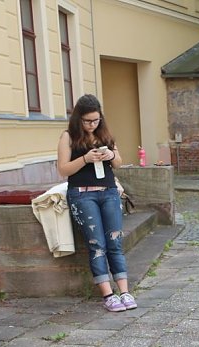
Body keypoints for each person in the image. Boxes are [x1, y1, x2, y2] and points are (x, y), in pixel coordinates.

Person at [58, 94, 137, 312]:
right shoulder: (68, 136)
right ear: (78, 119)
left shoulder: (105, 134)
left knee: (115, 242)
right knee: (97, 244)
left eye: (96, 120)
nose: (92, 125)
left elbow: (118, 163)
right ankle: (108, 295)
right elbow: (63, 169)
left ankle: (125, 291)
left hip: (109, 192)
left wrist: (110, 154)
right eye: (87, 121)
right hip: (83, 194)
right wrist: (85, 159)